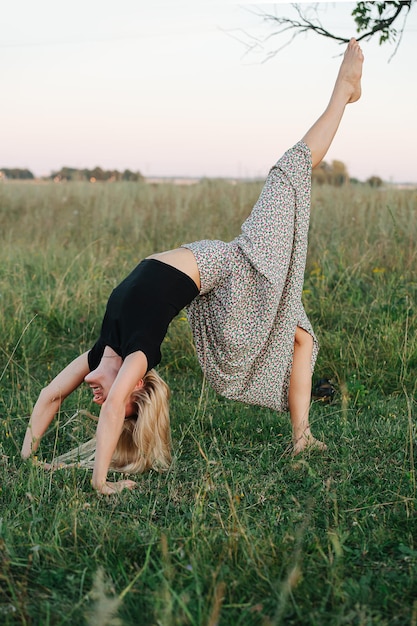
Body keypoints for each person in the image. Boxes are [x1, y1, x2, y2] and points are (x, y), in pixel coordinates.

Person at [21, 39, 364, 495]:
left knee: (300, 334)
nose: (101, 398)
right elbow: (110, 408)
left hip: (217, 282)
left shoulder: (101, 350)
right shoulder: (139, 352)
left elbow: (50, 396)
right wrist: (101, 484)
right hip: (233, 269)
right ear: (136, 388)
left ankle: (301, 437)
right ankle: (342, 91)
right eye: (121, 404)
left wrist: (28, 457)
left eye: (110, 401)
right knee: (287, 174)